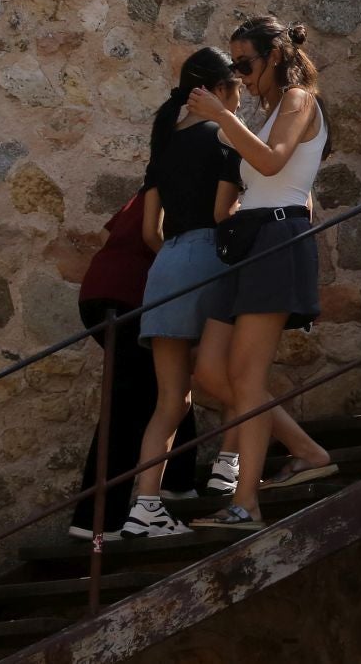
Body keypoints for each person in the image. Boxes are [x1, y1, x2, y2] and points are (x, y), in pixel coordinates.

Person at [185, 18, 335, 531]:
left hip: (274, 239)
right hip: (253, 242)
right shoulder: (270, 112)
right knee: (209, 371)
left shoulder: (298, 101)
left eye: (245, 64)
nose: (241, 75)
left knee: (246, 379)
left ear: (274, 56)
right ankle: (305, 449)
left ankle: (245, 504)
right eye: (235, 67)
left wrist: (223, 118)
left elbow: (273, 165)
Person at [119, 49, 251, 538]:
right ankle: (229, 469)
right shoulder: (224, 136)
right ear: (218, 91)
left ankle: (145, 506)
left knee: (171, 399)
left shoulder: (164, 144)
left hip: (166, 264)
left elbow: (150, 230)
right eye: (235, 87)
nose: (239, 97)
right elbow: (222, 213)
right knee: (239, 376)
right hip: (209, 258)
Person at [71, 186, 200, 539]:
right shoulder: (193, 187)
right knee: (133, 401)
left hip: (97, 293)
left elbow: (105, 235)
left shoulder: (153, 187)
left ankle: (179, 482)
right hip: (131, 296)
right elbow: (158, 238)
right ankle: (96, 520)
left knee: (161, 387)